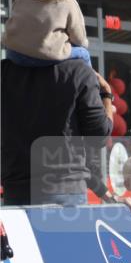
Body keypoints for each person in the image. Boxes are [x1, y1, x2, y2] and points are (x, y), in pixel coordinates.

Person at [1, 56, 116, 206]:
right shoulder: (78, 70)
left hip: (17, 188)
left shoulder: (4, 70)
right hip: (66, 189)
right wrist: (107, 95)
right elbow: (99, 136)